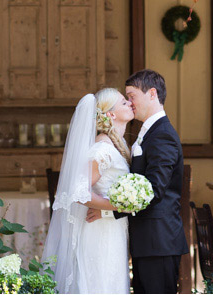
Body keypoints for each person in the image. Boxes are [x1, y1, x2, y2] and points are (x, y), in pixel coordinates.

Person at [42, 87, 135, 294]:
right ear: (110, 114)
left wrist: (110, 209)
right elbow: (78, 192)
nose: (129, 103)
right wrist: (118, 206)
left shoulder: (116, 145)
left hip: (110, 227)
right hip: (99, 230)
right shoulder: (103, 149)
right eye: (123, 102)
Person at [120, 69, 187, 295]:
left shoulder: (162, 134)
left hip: (158, 241)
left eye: (131, 96)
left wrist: (111, 210)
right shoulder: (149, 132)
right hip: (148, 242)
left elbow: (154, 189)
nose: (129, 103)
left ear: (151, 93)